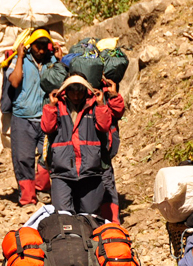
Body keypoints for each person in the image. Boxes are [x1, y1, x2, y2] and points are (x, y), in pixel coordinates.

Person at [41, 74, 122, 214]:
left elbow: (104, 126)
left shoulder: (94, 105)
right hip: (62, 171)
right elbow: (47, 128)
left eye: (80, 92)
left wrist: (101, 104)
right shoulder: (57, 106)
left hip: (90, 170)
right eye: (73, 92)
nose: (76, 96)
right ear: (66, 91)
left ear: (86, 91)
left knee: (89, 213)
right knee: (63, 214)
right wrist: (51, 106)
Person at [7, 29, 62, 206]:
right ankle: (27, 198)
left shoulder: (52, 61)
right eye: (38, 46)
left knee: (49, 157)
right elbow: (15, 82)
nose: (41, 50)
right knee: (23, 159)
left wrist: (59, 60)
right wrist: (21, 57)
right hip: (23, 118)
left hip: (47, 116)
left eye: (44, 46)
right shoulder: (18, 60)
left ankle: (42, 189)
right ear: (31, 46)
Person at [98, 78, 125, 223]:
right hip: (88, 147)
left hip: (105, 147)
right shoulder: (77, 90)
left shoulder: (107, 89)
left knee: (107, 180)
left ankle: (112, 221)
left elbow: (118, 112)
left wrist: (114, 95)